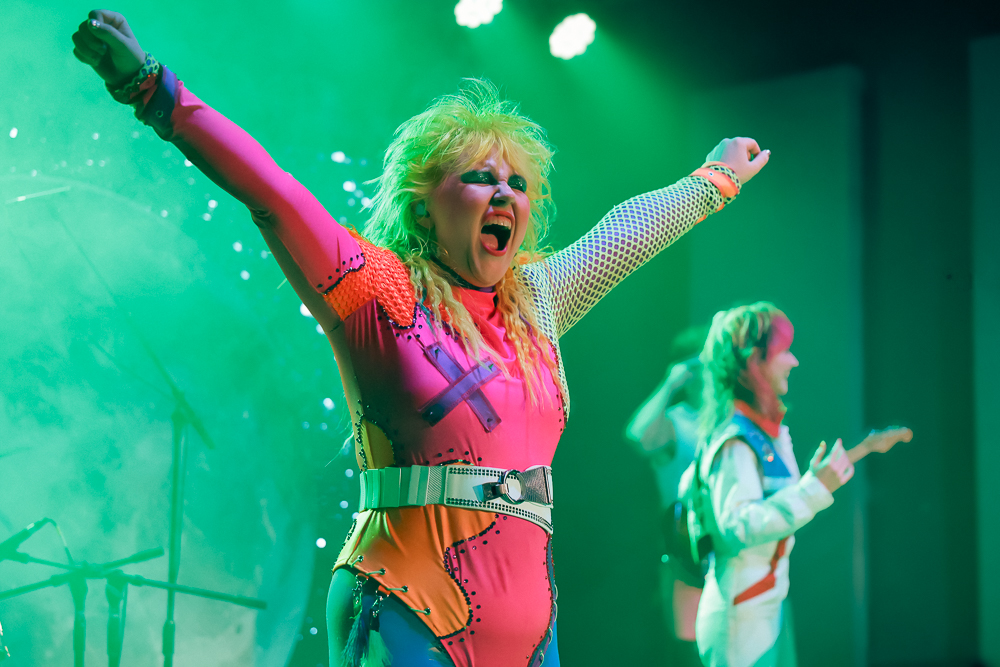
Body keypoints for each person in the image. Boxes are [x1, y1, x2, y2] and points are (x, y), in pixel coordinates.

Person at [70, 11, 770, 667]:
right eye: (480, 178)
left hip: (532, 629)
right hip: (403, 606)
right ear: (424, 207)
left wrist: (714, 179)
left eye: (518, 183)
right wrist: (152, 89)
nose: (505, 193)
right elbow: (272, 192)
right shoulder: (375, 290)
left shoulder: (536, 300)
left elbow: (624, 235)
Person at [688, 302, 912, 667]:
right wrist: (813, 490)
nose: (793, 361)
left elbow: (794, 492)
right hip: (741, 616)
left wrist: (866, 448)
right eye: (783, 351)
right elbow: (737, 526)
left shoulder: (761, 434)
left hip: (763, 607)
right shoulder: (735, 440)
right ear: (754, 361)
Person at [624, 326, 707, 665]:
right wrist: (671, 383)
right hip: (685, 553)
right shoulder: (676, 421)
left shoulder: (732, 418)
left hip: (727, 549)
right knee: (690, 649)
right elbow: (637, 436)